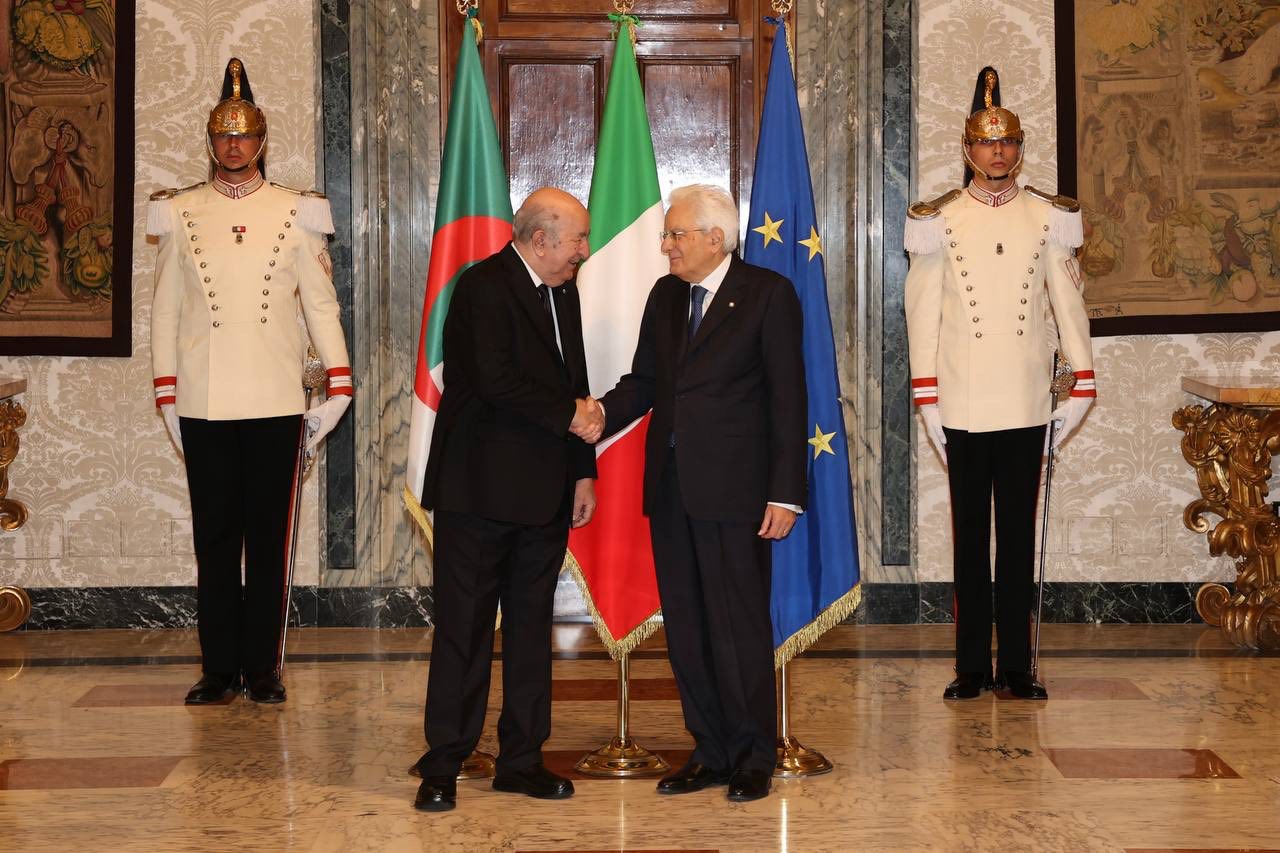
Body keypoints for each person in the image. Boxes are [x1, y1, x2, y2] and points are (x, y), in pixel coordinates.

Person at [147, 58, 352, 706]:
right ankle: (217, 669)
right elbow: (164, 311)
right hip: (204, 398)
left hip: (274, 398)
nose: (233, 146)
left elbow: (320, 305)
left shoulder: (297, 211)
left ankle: (262, 668)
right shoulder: (180, 212)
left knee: (269, 541)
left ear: (261, 140)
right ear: (210, 141)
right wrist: (166, 391)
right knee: (214, 541)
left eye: (243, 135)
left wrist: (339, 385)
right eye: (222, 135)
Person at [595, 184, 806, 802]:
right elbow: (645, 382)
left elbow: (788, 399)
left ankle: (752, 756)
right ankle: (709, 750)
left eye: (676, 234)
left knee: (738, 627)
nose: (666, 245)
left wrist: (785, 493)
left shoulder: (767, 294)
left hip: (738, 493)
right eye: (666, 234)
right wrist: (597, 413)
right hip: (672, 489)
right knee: (687, 628)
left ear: (716, 238)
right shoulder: (665, 296)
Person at [904, 67, 1096, 701]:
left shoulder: (1048, 216)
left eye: (1007, 141)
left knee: (1016, 539)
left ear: (1020, 148)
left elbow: (1068, 305)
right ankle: (970, 668)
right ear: (968, 149)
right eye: (986, 142)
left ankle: (1016, 666)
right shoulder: (940, 219)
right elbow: (922, 313)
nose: (997, 152)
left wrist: (1083, 382)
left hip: (1025, 398)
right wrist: (927, 396)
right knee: (970, 542)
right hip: (960, 400)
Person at [413, 187, 602, 812]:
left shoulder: (564, 291)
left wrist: (582, 472)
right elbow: (494, 379)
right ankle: (444, 763)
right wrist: (569, 416)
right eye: (577, 239)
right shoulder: (482, 286)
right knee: (464, 631)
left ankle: (522, 760)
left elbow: (575, 381)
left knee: (530, 631)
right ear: (540, 239)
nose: (583, 250)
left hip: (544, 493)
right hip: (479, 492)